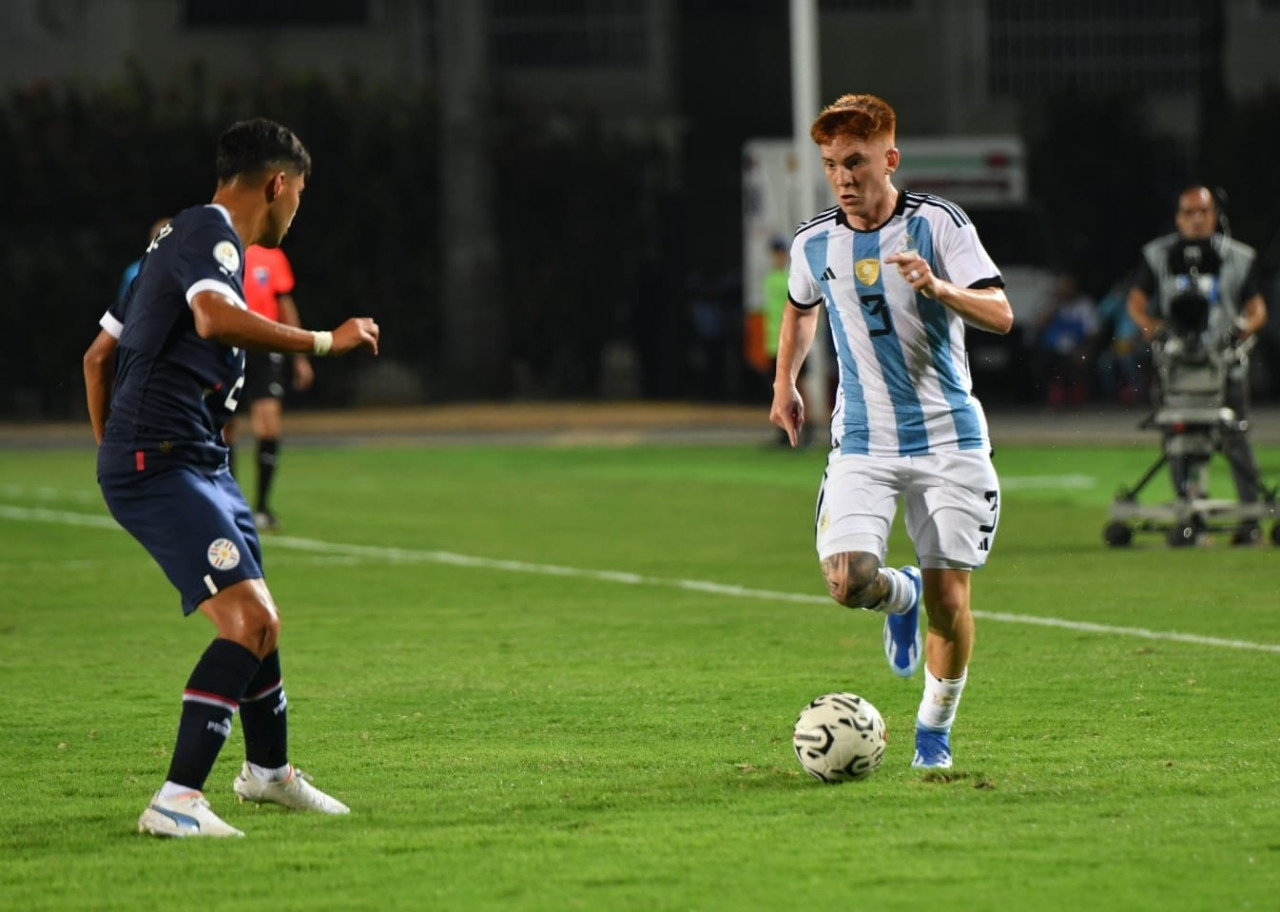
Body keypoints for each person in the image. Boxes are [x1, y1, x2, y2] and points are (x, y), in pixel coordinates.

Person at [82, 118, 380, 837]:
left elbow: (97, 358)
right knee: (250, 623)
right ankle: (176, 799)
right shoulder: (210, 237)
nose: (298, 208)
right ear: (278, 184)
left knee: (262, 624)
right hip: (166, 461)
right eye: (301, 193)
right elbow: (215, 321)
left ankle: (270, 775)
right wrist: (321, 340)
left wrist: (114, 451)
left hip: (193, 460)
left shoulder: (178, 239)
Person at [769, 94, 1012, 770]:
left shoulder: (939, 225)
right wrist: (784, 382)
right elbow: (800, 308)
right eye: (831, 165)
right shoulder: (815, 241)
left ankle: (932, 734)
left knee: (951, 600)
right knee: (847, 581)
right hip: (864, 444)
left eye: (855, 162)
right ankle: (893, 595)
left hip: (949, 440)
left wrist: (939, 289)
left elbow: (1001, 312)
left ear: (890, 160)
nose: (843, 178)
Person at [1126, 185, 1269, 545]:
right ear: (1178, 217)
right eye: (1188, 212)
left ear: (1215, 216)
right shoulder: (1158, 255)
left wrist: (1241, 331)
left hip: (1223, 366)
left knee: (1236, 439)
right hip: (1175, 368)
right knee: (1178, 442)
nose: (1196, 218)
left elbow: (1258, 310)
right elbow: (1135, 302)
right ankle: (1191, 517)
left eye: (1202, 211)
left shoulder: (1238, 257)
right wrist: (1152, 329)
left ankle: (1249, 521)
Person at [224, 243, 314, 530]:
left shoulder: (272, 256)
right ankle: (231, 505)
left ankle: (262, 506)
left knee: (269, 425)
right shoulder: (224, 248)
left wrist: (300, 356)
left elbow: (285, 304)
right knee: (225, 427)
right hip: (229, 346)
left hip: (265, 347)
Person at [1032, 271, 1099, 407]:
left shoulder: (1084, 305)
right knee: (1040, 360)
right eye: (1063, 286)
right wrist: (1054, 305)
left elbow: (1093, 333)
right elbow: (1038, 325)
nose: (1066, 290)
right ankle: (1050, 397)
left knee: (1079, 363)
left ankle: (1077, 397)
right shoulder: (1051, 303)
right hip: (1053, 349)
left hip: (1077, 348)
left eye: (1069, 286)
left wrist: (1084, 349)